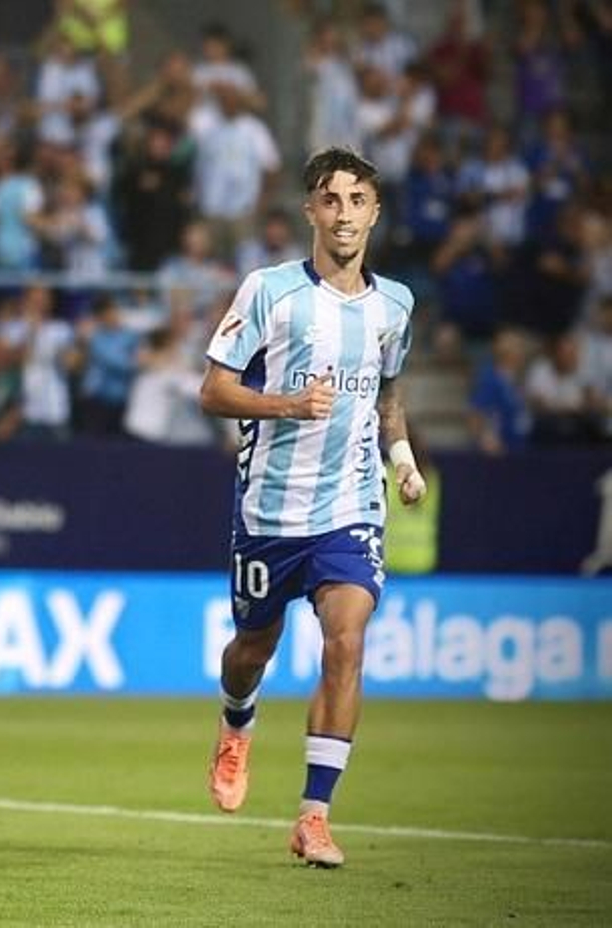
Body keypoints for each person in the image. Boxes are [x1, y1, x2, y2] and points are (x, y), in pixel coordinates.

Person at [199, 147, 427, 868]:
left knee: (347, 641)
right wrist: (286, 404)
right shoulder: (269, 291)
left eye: (358, 201)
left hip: (351, 505)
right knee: (251, 651)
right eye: (332, 200)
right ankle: (237, 723)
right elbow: (213, 390)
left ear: (375, 211)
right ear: (310, 210)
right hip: (269, 509)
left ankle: (314, 815)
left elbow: (389, 398)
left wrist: (403, 462)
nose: (345, 215)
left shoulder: (396, 306)